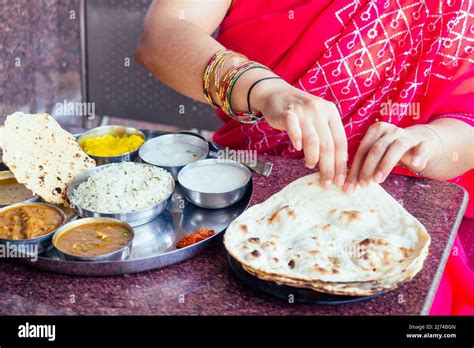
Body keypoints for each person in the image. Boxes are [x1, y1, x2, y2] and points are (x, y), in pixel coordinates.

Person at [136, 0, 474, 314]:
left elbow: (466, 122)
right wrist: (265, 90)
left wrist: (429, 143)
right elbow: (162, 35)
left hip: (396, 220)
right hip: (256, 193)